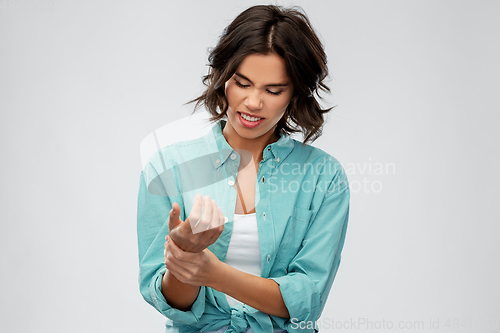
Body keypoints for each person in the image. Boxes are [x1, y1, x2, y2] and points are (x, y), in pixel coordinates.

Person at [137, 5, 350, 333]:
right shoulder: (167, 170)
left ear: (295, 93)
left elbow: (307, 298)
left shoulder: (325, 177)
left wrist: (212, 273)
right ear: (223, 77)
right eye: (242, 83)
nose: (253, 102)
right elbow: (172, 305)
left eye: (273, 90)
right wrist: (183, 258)